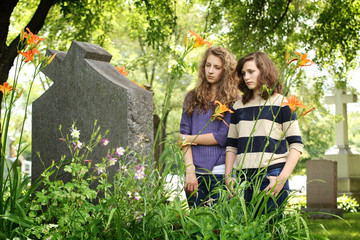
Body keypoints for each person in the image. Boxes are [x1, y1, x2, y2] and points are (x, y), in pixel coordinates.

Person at [225, 51, 303, 216]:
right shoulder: (237, 106)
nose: (246, 77)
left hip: (271, 176)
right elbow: (231, 146)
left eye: (251, 71)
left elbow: (296, 144)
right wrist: (228, 176)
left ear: (264, 70)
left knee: (269, 232)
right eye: (243, 73)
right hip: (243, 180)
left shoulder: (282, 103)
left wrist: (281, 179)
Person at [179, 46, 239, 208]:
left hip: (219, 173)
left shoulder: (233, 100)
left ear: (225, 71)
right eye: (208, 65)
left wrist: (190, 139)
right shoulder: (192, 97)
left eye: (217, 67)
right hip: (194, 175)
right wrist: (190, 171)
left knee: (219, 229)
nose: (210, 71)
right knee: (196, 228)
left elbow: (222, 137)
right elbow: (182, 136)